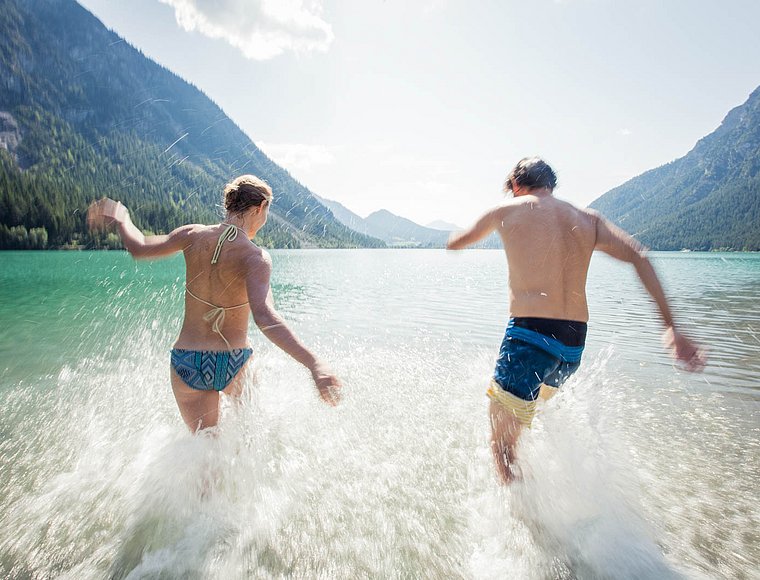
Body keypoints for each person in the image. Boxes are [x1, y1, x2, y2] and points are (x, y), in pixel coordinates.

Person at [447, 157, 706, 484]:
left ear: (515, 184)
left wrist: (452, 237)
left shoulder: (507, 210)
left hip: (530, 336)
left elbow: (458, 243)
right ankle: (551, 496)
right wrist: (671, 326)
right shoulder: (588, 219)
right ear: (551, 185)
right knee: (526, 421)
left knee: (501, 445)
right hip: (571, 347)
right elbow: (639, 256)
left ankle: (527, 523)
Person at [87, 175, 342, 432]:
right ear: (260, 207)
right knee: (250, 440)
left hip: (187, 363)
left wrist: (122, 217)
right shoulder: (255, 258)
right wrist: (314, 363)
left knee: (205, 454)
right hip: (234, 362)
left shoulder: (191, 235)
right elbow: (265, 317)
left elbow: (139, 247)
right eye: (266, 213)